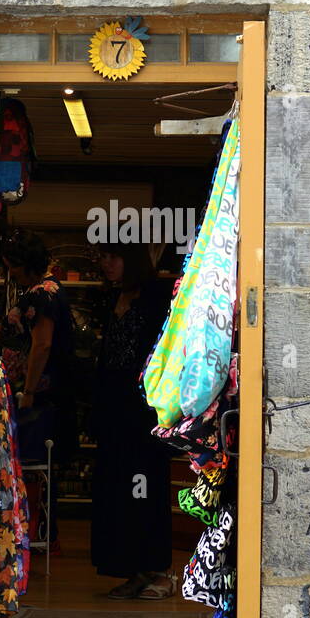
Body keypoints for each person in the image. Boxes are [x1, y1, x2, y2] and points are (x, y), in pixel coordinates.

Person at [90, 244, 174, 599]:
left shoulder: (154, 298)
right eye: (104, 257)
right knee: (119, 488)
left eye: (114, 256)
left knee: (146, 485)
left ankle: (159, 569)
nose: (106, 263)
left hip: (144, 411)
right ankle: (134, 567)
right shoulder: (113, 300)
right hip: (114, 409)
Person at [0, 229, 77, 541]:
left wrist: (28, 392)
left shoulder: (43, 294)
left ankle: (38, 534)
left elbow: (42, 345)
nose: (10, 273)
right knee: (36, 463)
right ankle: (38, 533)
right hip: (37, 391)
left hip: (39, 395)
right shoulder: (44, 291)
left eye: (12, 266)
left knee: (35, 463)